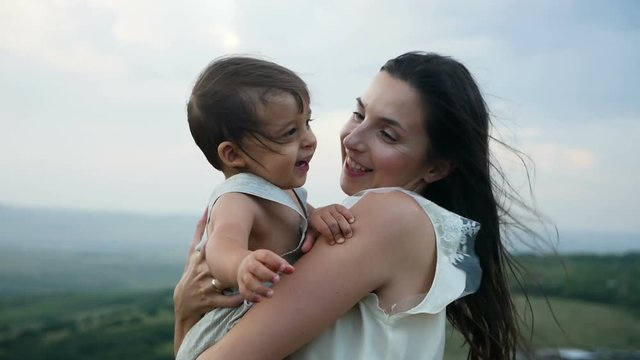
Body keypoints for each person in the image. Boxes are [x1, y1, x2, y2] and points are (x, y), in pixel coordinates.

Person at [174, 52, 539, 360]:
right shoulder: (401, 222)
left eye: (387, 134)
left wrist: (185, 313)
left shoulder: (389, 216)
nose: (351, 137)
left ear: (437, 166)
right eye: (360, 114)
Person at [175, 56, 355, 360]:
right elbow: (222, 246)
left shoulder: (285, 192)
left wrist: (319, 215)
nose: (309, 140)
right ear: (233, 154)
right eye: (289, 132)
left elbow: (301, 220)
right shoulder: (238, 199)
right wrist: (241, 265)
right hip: (226, 332)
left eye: (307, 124)